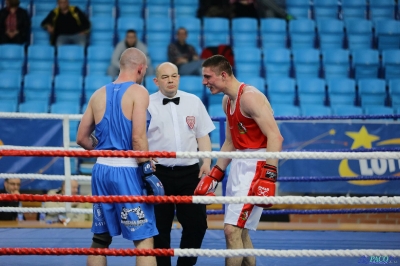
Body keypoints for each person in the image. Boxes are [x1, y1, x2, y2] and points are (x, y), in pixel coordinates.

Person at [76, 47, 163, 266]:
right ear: (141, 69)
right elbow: (138, 139)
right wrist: (147, 169)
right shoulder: (139, 92)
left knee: (100, 239)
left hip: (102, 170)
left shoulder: (98, 94)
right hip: (128, 171)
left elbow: (81, 139)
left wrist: (104, 148)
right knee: (144, 241)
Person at [195, 55, 284, 266]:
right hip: (239, 165)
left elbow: (275, 137)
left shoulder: (250, 97)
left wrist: (269, 175)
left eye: (208, 77)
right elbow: (230, 142)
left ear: (223, 75)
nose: (204, 82)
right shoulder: (228, 100)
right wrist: (216, 173)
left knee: (231, 230)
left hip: (257, 165)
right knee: (240, 233)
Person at [147, 62, 215, 266]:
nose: (170, 80)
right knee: (159, 228)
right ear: (156, 81)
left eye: (174, 76)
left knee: (197, 224)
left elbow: (202, 135)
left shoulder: (193, 101)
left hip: (190, 173)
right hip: (158, 173)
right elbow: (138, 136)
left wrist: (207, 161)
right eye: (165, 77)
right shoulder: (146, 104)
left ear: (179, 78)